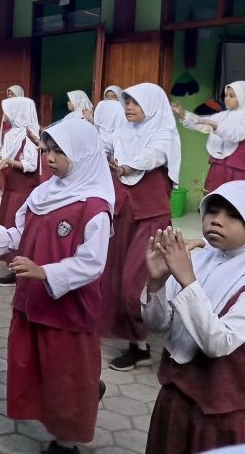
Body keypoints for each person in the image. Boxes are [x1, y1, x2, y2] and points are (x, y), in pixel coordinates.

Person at [0, 118, 115, 454]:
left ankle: (66, 441)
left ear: (83, 154)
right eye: (47, 150)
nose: (50, 158)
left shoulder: (94, 207)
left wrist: (47, 273)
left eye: (60, 151)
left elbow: (92, 263)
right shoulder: (43, 193)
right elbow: (22, 233)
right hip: (34, 300)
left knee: (65, 375)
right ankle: (72, 402)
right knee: (39, 369)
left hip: (67, 311)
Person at [143, 182, 245, 454]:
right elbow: (158, 325)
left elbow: (218, 343)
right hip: (176, 395)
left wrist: (187, 280)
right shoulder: (200, 260)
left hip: (219, 414)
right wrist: (157, 282)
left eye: (233, 215)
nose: (217, 221)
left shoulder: (191, 268)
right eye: (212, 211)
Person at [101, 82, 181, 371]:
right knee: (114, 277)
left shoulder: (163, 133)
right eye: (127, 102)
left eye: (135, 102)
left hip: (151, 218)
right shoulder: (123, 129)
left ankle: (143, 342)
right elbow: (101, 143)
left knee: (134, 283)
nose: (129, 108)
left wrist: (125, 168)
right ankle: (136, 342)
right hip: (124, 214)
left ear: (152, 105)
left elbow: (152, 156)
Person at [0, 96, 40, 287]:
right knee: (9, 225)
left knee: (20, 228)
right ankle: (14, 268)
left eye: (8, 111)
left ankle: (20, 273)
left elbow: (31, 165)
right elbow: (5, 159)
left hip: (23, 192)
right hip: (11, 191)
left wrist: (9, 162)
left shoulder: (30, 136)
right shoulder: (11, 135)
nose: (6, 116)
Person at [172, 81, 245, 193]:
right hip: (219, 163)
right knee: (214, 194)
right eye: (226, 95)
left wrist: (214, 125)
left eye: (232, 96)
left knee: (234, 195)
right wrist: (182, 114)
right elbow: (201, 123)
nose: (227, 99)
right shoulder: (223, 115)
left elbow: (235, 135)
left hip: (237, 166)